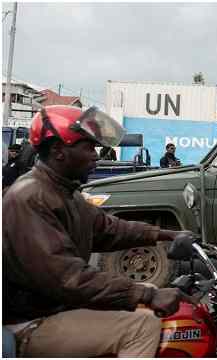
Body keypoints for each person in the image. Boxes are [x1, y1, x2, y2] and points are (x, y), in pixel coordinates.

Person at [2, 105, 197, 357]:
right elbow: (69, 278)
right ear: (58, 151)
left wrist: (166, 235)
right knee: (142, 327)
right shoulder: (31, 197)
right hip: (32, 321)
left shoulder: (64, 192)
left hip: (55, 306)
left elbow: (108, 228)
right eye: (88, 147)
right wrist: (146, 293)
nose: (95, 155)